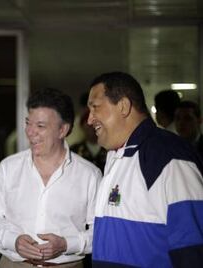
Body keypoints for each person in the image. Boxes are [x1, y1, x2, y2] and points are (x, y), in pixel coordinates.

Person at [87, 71, 203, 267]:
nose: (89, 119)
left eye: (95, 108)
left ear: (123, 106)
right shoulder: (117, 156)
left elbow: (191, 247)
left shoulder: (168, 156)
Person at [0, 88, 101, 268]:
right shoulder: (9, 167)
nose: (30, 132)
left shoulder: (89, 175)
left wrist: (67, 244)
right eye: (28, 123)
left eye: (40, 126)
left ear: (62, 130)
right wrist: (14, 241)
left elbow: (101, 232)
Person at [71, 108, 107, 172]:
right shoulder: (74, 150)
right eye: (88, 124)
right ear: (82, 126)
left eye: (95, 123)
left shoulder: (109, 149)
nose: (92, 127)